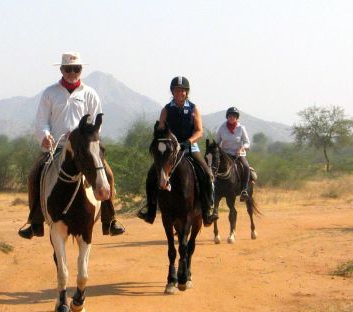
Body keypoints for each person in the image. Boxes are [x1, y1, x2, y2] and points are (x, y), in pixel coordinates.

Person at [18, 52, 126, 239]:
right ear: (61, 70)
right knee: (34, 174)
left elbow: (96, 125)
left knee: (107, 174)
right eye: (68, 69)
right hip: (57, 147)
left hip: (83, 149)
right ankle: (34, 220)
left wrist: (83, 139)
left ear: (81, 70)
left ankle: (110, 219)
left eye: (76, 69)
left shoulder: (89, 94)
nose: (72, 72)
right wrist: (44, 136)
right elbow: (41, 121)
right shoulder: (50, 93)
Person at [137, 76, 219, 226]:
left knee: (207, 174)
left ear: (186, 92)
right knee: (151, 175)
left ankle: (207, 211)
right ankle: (150, 210)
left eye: (182, 90)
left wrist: (188, 142)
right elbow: (161, 129)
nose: (179, 93)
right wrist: (160, 132)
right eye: (176, 90)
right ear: (172, 92)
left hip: (190, 147)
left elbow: (199, 131)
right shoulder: (166, 109)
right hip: (170, 150)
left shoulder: (194, 109)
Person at [215, 106, 251, 201]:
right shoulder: (222, 128)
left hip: (238, 154)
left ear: (237, 118)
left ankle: (244, 190)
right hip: (225, 154)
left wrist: (242, 148)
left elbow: (247, 142)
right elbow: (216, 142)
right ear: (227, 117)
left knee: (246, 167)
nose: (232, 118)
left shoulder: (241, 128)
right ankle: (212, 189)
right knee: (213, 167)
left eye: (234, 116)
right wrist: (216, 150)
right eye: (230, 116)